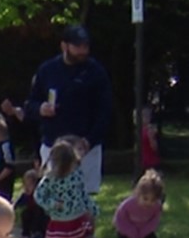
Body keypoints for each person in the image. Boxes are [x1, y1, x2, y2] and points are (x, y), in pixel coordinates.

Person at [16, 24, 115, 194]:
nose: (82, 51)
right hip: (53, 145)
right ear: (64, 46)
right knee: (53, 195)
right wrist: (41, 109)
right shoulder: (47, 70)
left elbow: (105, 111)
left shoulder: (96, 72)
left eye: (85, 46)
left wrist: (89, 140)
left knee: (86, 196)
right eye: (77, 46)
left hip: (86, 148)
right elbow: (30, 104)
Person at [33, 141, 117, 238]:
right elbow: (38, 195)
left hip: (79, 218)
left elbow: (82, 194)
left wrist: (92, 209)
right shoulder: (50, 178)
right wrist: (52, 204)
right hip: (62, 221)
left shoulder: (77, 174)